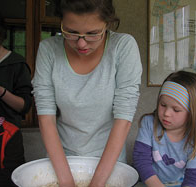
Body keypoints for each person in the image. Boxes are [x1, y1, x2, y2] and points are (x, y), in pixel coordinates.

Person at [32, 0, 142, 186]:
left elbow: (123, 120)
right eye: (71, 32)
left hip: (109, 163)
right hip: (62, 160)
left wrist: (97, 183)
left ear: (107, 24)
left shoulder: (122, 47)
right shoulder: (49, 50)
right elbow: (46, 118)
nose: (81, 43)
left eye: (92, 34)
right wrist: (66, 182)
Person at [133, 71, 196, 187]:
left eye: (176, 110)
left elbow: (195, 179)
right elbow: (141, 160)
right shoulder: (149, 123)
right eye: (163, 105)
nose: (166, 113)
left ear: (193, 113)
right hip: (145, 182)